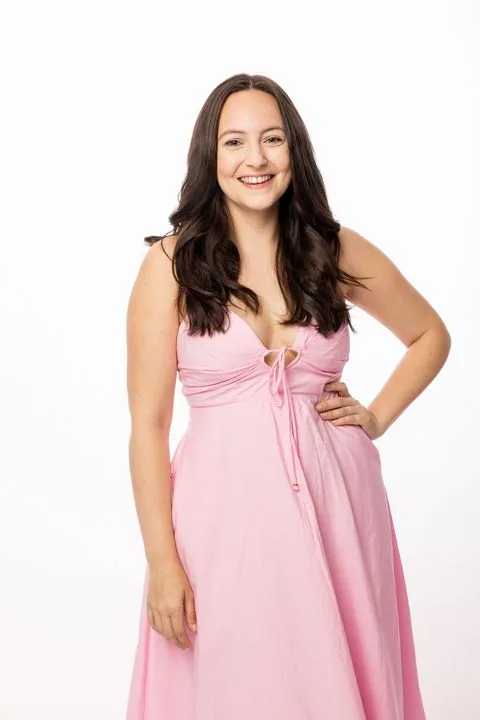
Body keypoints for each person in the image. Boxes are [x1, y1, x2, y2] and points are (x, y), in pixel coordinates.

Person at [125, 73, 450, 719]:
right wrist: (162, 562)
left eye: (272, 139)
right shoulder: (172, 264)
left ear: (294, 150)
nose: (256, 158)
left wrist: (376, 416)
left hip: (340, 506)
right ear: (209, 155)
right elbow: (148, 426)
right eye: (235, 142)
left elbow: (429, 335)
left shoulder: (334, 249)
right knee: (237, 682)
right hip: (223, 519)